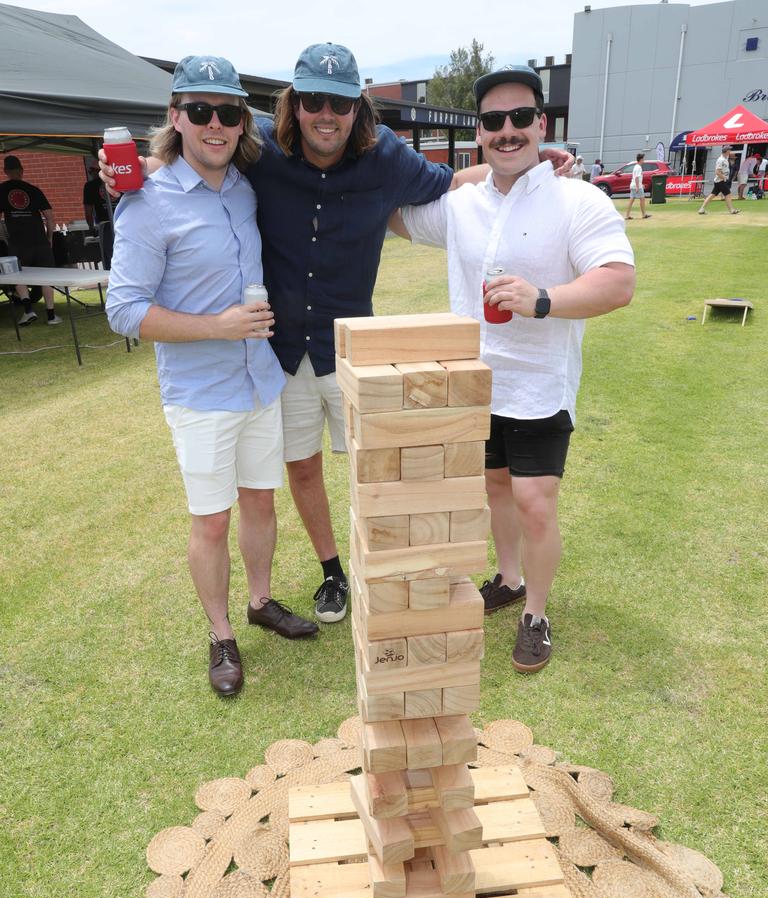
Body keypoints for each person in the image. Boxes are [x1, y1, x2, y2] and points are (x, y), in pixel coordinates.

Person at [101, 43, 574, 628]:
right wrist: (141, 170)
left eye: (341, 102)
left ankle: (388, 569)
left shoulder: (387, 156)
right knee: (299, 470)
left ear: (359, 108)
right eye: (313, 99)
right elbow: (196, 161)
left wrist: (524, 164)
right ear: (294, 103)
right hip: (280, 352)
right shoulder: (262, 150)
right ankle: (332, 571)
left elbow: (454, 183)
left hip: (352, 348)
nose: (326, 113)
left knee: (375, 468)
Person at [390, 65, 635, 673]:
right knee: (494, 487)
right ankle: (509, 577)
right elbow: (393, 215)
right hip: (474, 379)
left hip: (539, 383)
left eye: (520, 118)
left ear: (541, 123)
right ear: (479, 131)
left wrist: (542, 299)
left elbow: (617, 282)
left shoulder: (579, 198)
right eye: (494, 121)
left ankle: (537, 615)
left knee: (534, 500)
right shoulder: (461, 205)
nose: (508, 131)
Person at [107, 55, 318, 698]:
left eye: (228, 112)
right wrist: (218, 325)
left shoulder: (245, 184)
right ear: (176, 118)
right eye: (199, 111)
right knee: (213, 520)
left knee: (261, 499)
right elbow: (123, 310)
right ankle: (221, 634)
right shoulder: (148, 203)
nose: (215, 124)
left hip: (261, 381)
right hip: (201, 394)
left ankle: (259, 602)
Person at [0, 155, 62, 325]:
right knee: (46, 276)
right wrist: (49, 237)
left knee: (17, 275)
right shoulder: (33, 189)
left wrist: (4, 239)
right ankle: (51, 315)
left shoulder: (2, 190)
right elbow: (49, 217)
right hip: (40, 240)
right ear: (22, 170)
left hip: (18, 242)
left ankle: (28, 310)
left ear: (5, 171)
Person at [83, 162, 116, 267]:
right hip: (124, 223)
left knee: (110, 258)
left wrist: (91, 228)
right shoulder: (118, 181)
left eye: (91, 171)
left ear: (96, 171)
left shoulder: (90, 186)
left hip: (106, 226)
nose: (90, 173)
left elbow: (88, 211)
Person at [698, 146, 740, 215]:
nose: (730, 152)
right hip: (721, 181)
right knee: (728, 194)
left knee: (713, 195)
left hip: (720, 181)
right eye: (729, 150)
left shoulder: (724, 159)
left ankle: (702, 209)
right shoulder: (721, 160)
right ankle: (732, 210)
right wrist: (724, 178)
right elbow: (717, 172)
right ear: (726, 151)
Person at [624, 153, 650, 220]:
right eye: (643, 159)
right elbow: (636, 178)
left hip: (633, 185)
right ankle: (644, 214)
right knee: (642, 199)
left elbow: (637, 177)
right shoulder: (638, 167)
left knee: (631, 200)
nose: (644, 160)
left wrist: (640, 184)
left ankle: (627, 215)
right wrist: (638, 187)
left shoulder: (636, 166)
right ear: (641, 159)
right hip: (636, 186)